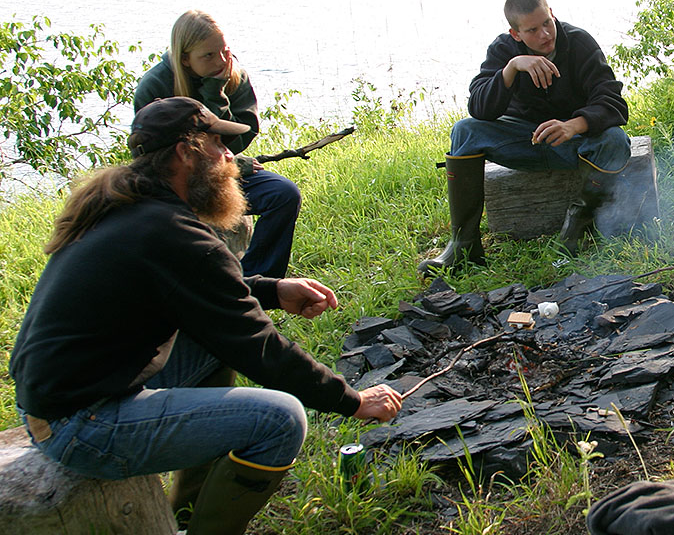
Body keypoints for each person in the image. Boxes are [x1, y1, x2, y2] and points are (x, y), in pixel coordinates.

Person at [9, 97, 404, 534]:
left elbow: (200, 294)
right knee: (280, 420)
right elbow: (259, 347)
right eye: (219, 144)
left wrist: (273, 289)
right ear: (185, 152)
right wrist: (352, 401)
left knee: (207, 342)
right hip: (82, 424)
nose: (231, 157)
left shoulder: (129, 207)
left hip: (58, 399)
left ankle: (186, 508)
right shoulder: (172, 233)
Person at [419, 0, 631, 274]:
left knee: (615, 140)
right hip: (523, 143)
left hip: (573, 144)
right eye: (532, 30)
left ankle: (576, 235)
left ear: (552, 13)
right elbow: (479, 108)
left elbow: (613, 101)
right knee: (464, 131)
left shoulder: (579, 42)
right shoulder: (504, 50)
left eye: (547, 22)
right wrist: (511, 68)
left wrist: (573, 125)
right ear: (515, 34)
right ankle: (464, 245)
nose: (545, 34)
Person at [135, 9, 301, 278]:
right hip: (174, 182)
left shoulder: (233, 75)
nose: (222, 60)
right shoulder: (154, 86)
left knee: (282, 194)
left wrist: (218, 93)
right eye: (208, 55)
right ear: (185, 59)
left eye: (224, 50)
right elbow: (152, 155)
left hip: (220, 172)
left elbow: (243, 135)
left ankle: (259, 281)